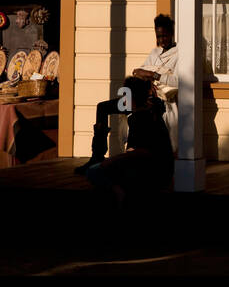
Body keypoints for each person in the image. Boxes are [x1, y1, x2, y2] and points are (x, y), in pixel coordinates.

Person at [75, 14, 178, 174]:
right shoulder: (154, 53)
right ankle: (97, 155)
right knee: (103, 107)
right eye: (159, 36)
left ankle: (137, 157)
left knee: (138, 117)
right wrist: (141, 75)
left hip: (161, 101)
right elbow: (140, 73)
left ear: (171, 33)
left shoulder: (178, 54)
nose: (162, 39)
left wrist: (153, 75)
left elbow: (178, 82)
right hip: (142, 95)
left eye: (165, 35)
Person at [84, 75, 173, 202]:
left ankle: (120, 192)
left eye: (124, 95)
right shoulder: (144, 114)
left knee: (93, 172)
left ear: (132, 98)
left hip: (153, 173)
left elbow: (143, 152)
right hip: (157, 170)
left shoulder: (142, 118)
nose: (122, 100)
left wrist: (112, 160)